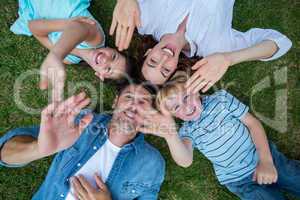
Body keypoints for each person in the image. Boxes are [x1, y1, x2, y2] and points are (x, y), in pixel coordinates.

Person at [135, 71, 300, 200]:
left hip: (264, 157)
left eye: (186, 97)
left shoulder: (221, 100)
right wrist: (171, 136)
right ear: (174, 116)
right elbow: (185, 161)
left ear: (196, 89)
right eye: (176, 107)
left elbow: (253, 124)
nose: (186, 107)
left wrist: (266, 161)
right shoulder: (187, 131)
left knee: (294, 177)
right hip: (240, 180)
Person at [0, 83, 165, 199]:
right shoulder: (81, 122)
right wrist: (39, 149)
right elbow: (4, 154)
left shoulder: (152, 163)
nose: (133, 105)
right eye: (128, 97)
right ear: (115, 102)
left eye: (143, 102)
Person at [110, 0, 292, 89]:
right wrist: (229, 58)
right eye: (165, 70)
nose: (164, 58)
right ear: (175, 68)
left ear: (148, 52)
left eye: (153, 61)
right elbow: (280, 43)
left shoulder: (144, 20)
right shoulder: (214, 48)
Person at [11, 0, 130, 102]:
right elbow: (78, 28)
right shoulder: (96, 37)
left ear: (100, 75)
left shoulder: (69, 59)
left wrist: (57, 51)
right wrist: (56, 54)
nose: (105, 59)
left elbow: (33, 26)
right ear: (111, 49)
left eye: (108, 69)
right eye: (114, 57)